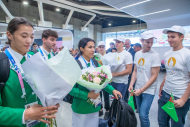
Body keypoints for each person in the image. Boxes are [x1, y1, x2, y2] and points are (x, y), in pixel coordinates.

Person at [0, 17, 59, 127]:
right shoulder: (2, 63)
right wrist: (24, 115)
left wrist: (48, 104)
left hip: (40, 122)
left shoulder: (35, 58)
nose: (29, 41)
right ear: (9, 35)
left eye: (32, 37)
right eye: (24, 36)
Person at [69, 38, 122, 127]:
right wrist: (87, 94)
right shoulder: (75, 65)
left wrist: (113, 91)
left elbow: (103, 81)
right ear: (81, 49)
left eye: (94, 47)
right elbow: (70, 88)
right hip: (81, 107)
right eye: (90, 47)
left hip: (95, 107)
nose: (93, 50)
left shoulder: (96, 63)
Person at [158, 25, 190, 127]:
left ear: (182, 37)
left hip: (179, 96)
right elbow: (168, 71)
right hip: (165, 94)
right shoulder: (167, 54)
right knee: (162, 123)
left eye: (173, 37)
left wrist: (183, 99)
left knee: (177, 125)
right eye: (168, 37)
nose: (169, 39)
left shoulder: (187, 54)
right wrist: (162, 86)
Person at [128, 31, 161, 127]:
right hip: (138, 87)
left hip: (148, 90)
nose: (150, 44)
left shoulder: (155, 55)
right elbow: (135, 70)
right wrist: (131, 84)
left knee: (143, 115)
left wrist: (142, 90)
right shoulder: (137, 54)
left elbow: (154, 76)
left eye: (151, 42)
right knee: (140, 114)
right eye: (147, 42)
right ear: (141, 41)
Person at [94, 41, 110, 119]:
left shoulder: (108, 57)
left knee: (106, 95)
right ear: (97, 48)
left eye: (102, 47)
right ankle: (100, 109)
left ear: (105, 48)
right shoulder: (95, 56)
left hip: (106, 78)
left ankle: (107, 110)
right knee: (98, 95)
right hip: (97, 78)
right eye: (99, 47)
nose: (101, 48)